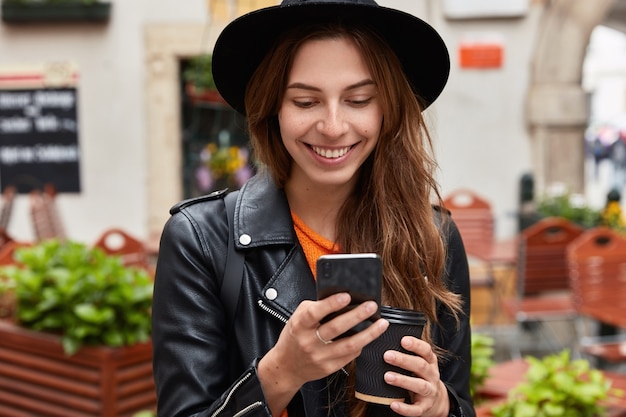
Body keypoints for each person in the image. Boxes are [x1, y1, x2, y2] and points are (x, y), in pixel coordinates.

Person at [151, 1, 475, 417]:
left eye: (358, 100)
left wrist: (441, 406)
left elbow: (461, 401)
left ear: (387, 109)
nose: (334, 126)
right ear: (273, 108)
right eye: (306, 102)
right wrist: (281, 373)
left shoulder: (434, 236)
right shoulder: (201, 241)